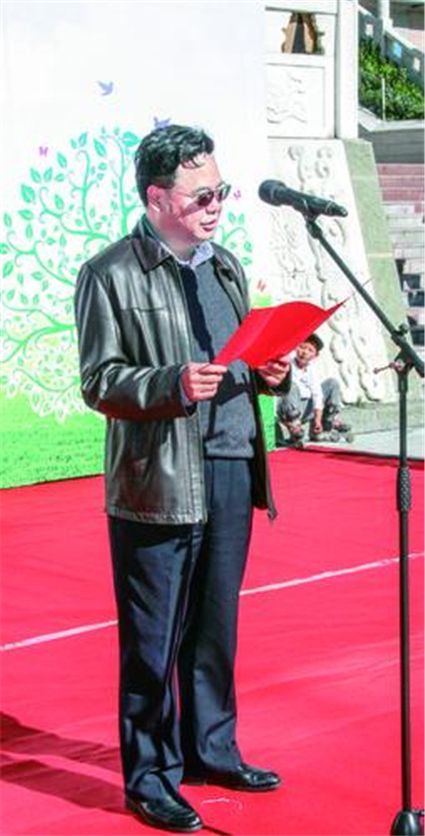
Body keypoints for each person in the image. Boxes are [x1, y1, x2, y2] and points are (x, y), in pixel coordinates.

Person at [74, 124, 291, 834]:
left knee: (215, 628)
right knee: (152, 641)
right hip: (157, 481)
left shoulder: (224, 265)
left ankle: (212, 751)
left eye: (221, 191)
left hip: (230, 464)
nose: (216, 205)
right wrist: (170, 383)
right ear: (156, 197)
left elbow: (239, 356)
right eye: (202, 195)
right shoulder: (110, 272)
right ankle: (150, 777)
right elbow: (99, 380)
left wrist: (269, 373)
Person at [276, 333, 349, 444]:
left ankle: (323, 427)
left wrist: (317, 420)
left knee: (332, 383)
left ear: (315, 355)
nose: (304, 352)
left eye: (310, 350)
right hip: (287, 409)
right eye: (302, 347)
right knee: (291, 385)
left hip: (305, 409)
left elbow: (317, 394)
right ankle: (294, 429)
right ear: (296, 347)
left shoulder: (311, 369)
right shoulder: (287, 363)